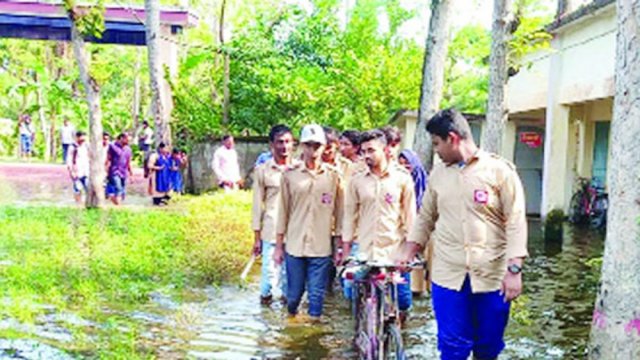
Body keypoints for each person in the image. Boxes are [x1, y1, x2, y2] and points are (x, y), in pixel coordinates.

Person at [400, 109, 528, 360]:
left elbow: (516, 222)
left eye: (437, 143)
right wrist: (408, 252)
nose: (435, 150)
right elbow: (425, 218)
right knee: (452, 346)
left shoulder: (500, 172)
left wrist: (514, 270)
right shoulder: (438, 175)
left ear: (452, 138)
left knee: (488, 346)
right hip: (448, 276)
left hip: (492, 276)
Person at [339, 130, 416, 316]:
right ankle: (361, 332)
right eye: (364, 151)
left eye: (371, 150)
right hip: (364, 250)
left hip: (394, 252)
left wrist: (410, 251)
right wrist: (346, 251)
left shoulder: (402, 178)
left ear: (385, 149)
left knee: (404, 302)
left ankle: (395, 333)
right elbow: (350, 216)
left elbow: (411, 217)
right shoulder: (357, 181)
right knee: (350, 292)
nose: (367, 156)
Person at [273, 124, 343, 320]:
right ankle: (292, 322)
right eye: (309, 145)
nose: (313, 151)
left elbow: (340, 214)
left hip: (321, 248)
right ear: (301, 146)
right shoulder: (290, 175)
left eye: (317, 146)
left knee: (316, 298)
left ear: (324, 147)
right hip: (295, 246)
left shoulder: (333, 176)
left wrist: (339, 246)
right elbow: (283, 212)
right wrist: (279, 247)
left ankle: (312, 340)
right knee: (293, 297)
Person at [251, 125, 296, 305]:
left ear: (293, 144)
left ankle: (287, 319)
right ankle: (265, 316)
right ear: (271, 145)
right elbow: (256, 206)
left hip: (295, 231)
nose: (284, 147)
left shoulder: (299, 169)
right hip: (270, 229)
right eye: (279, 142)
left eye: (287, 142)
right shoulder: (262, 170)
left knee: (289, 280)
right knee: (268, 279)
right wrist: (256, 238)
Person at [399, 149, 431, 295]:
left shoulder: (426, 183)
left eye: (408, 164)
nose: (405, 168)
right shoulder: (397, 182)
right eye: (401, 164)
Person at [106, 133, 133, 206]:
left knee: (123, 192)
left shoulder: (128, 149)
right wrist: (106, 171)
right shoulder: (112, 146)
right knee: (118, 188)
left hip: (124, 172)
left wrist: (131, 174)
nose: (128, 141)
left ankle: (116, 204)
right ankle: (118, 206)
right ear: (121, 138)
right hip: (115, 171)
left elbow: (129, 162)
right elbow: (108, 159)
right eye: (127, 139)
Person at [67, 131, 90, 204]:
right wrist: (71, 171)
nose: (83, 140)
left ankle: (87, 204)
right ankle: (78, 204)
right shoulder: (73, 147)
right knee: (78, 189)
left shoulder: (86, 146)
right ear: (77, 137)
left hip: (86, 171)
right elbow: (69, 160)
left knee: (88, 188)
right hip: (77, 171)